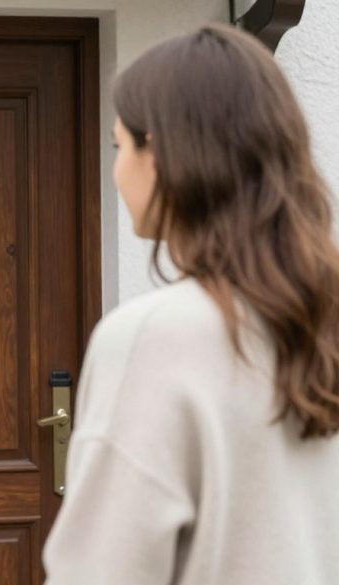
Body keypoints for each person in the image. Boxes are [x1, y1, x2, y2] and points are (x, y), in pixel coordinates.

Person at [43, 23, 339, 585]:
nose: (116, 166)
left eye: (118, 144)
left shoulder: (154, 336)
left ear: (160, 154)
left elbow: (101, 570)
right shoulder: (318, 317)